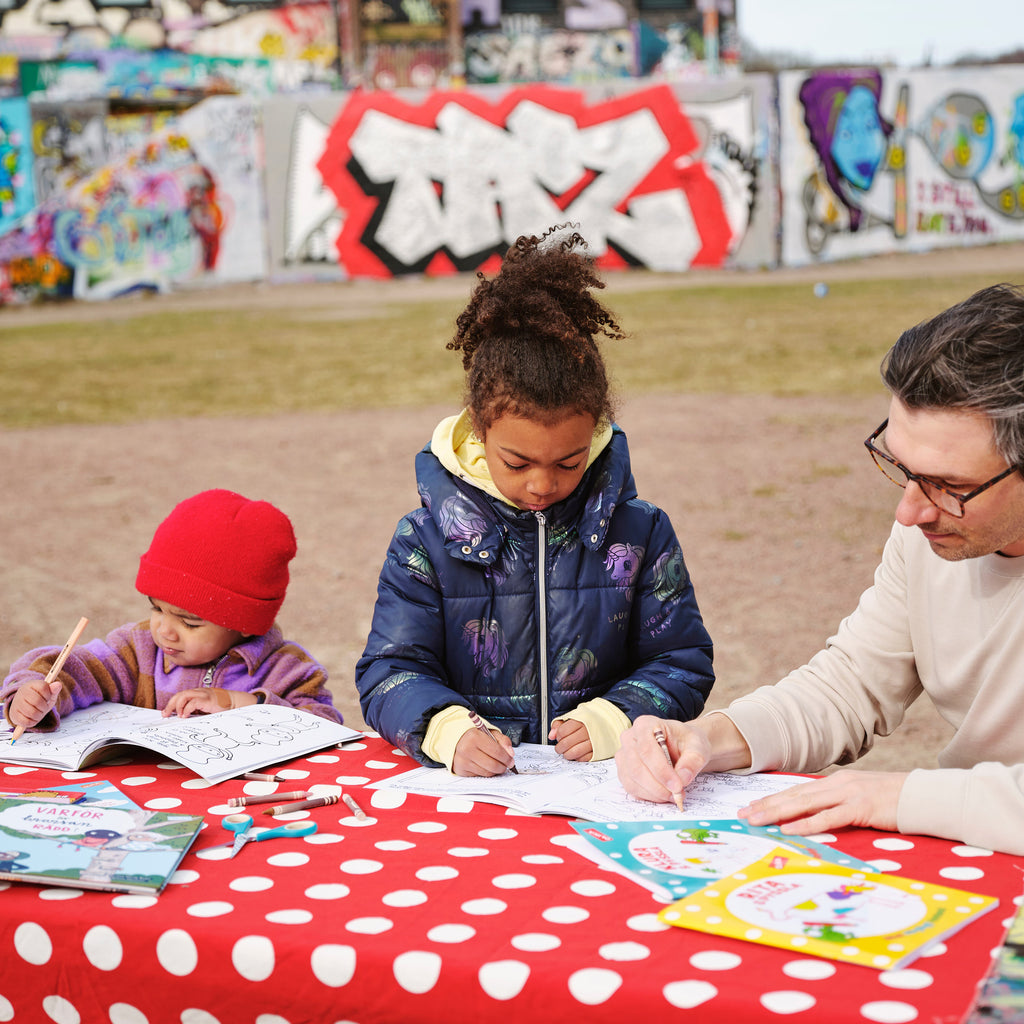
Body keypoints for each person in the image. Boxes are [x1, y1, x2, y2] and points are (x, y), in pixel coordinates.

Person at [616, 281, 1024, 856]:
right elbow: (851, 686)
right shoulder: (926, 534)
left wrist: (895, 798)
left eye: (949, 486)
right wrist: (708, 739)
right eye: (902, 468)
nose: (909, 510)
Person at [355, 224, 714, 776]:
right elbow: (389, 670)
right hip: (478, 797)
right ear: (478, 430)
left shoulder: (641, 533)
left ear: (594, 432)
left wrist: (616, 719)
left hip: (604, 791)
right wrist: (446, 729)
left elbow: (682, 661)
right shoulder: (423, 541)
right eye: (517, 463)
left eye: (568, 462)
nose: (542, 484)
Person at [2, 488, 342, 730]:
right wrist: (33, 695)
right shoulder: (137, 652)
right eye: (157, 609)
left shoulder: (286, 670)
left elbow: (325, 727)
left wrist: (239, 703)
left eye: (190, 623)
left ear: (245, 624)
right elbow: (74, 668)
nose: (164, 630)